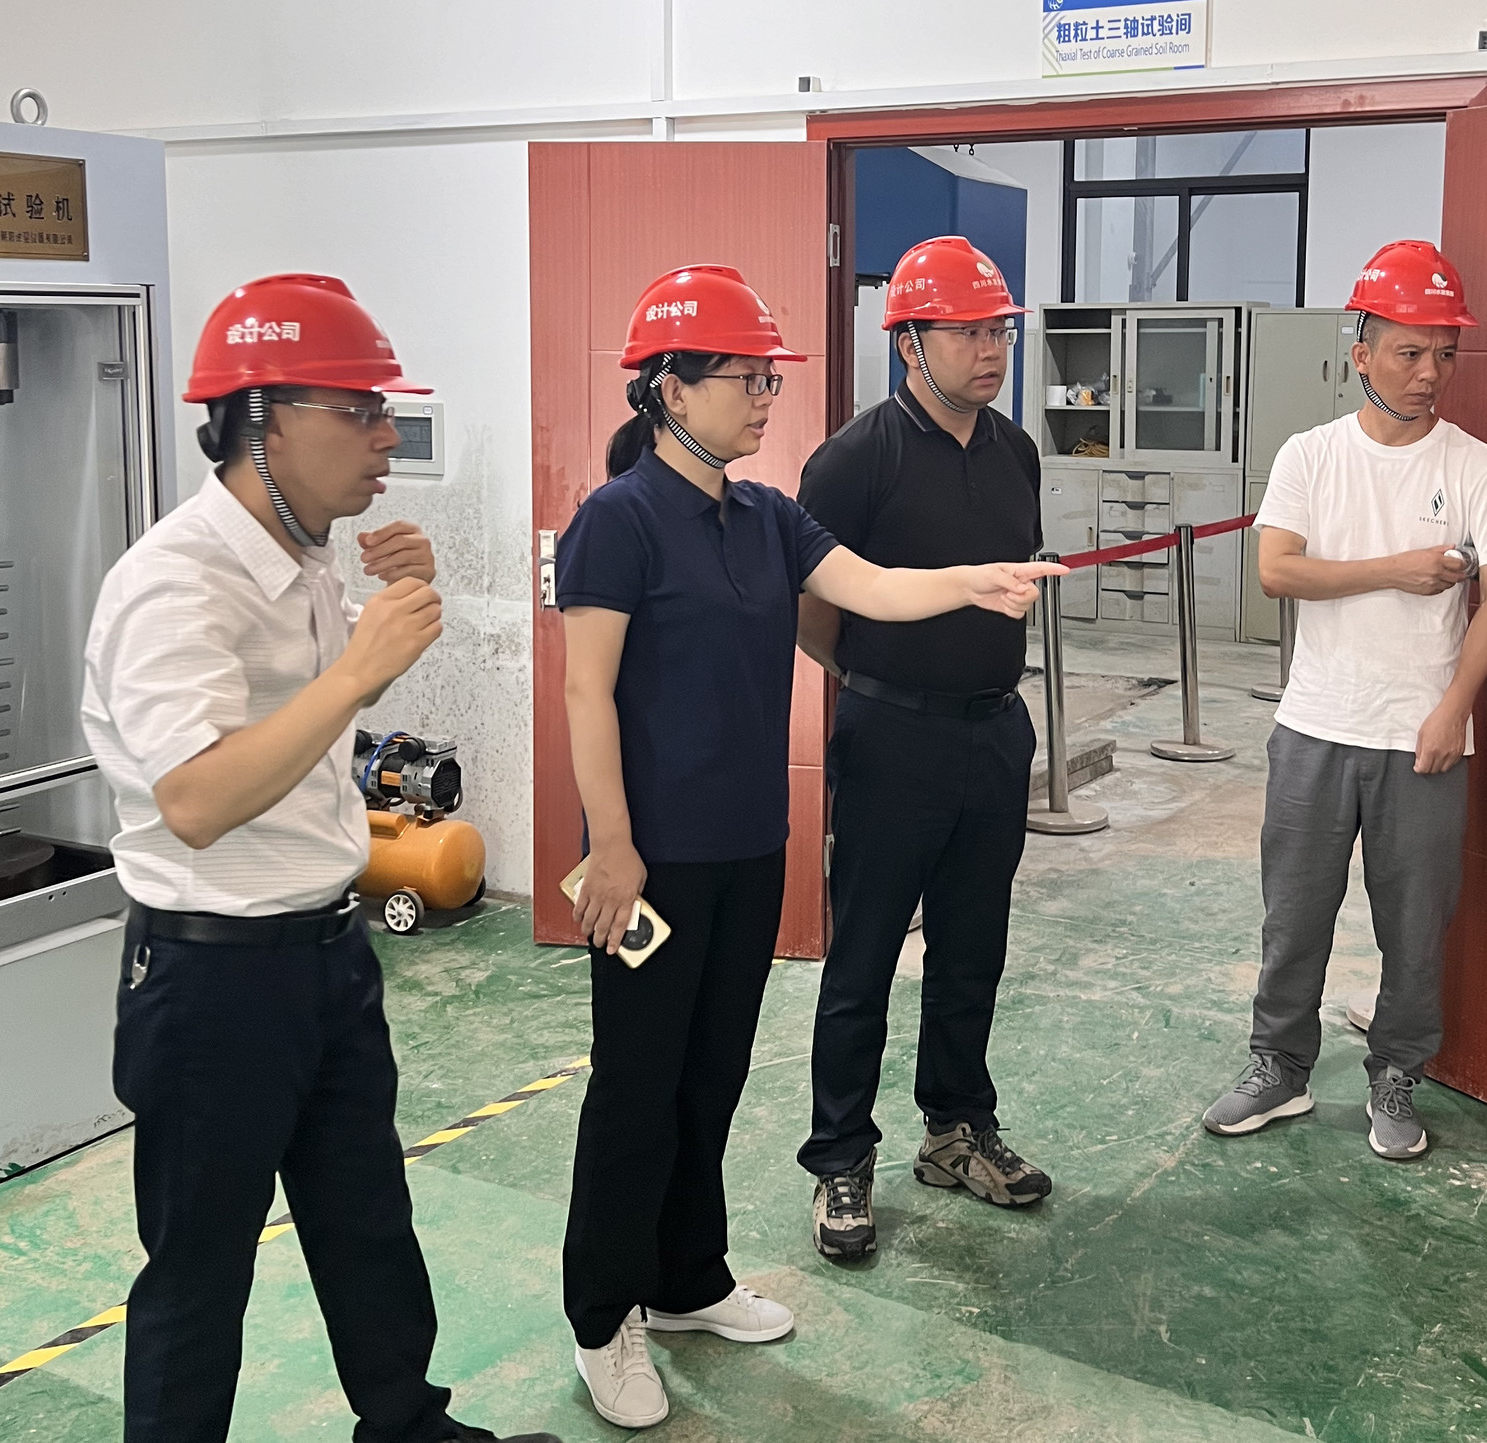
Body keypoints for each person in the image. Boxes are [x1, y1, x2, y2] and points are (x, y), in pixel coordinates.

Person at [555, 263, 1059, 1430]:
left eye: (769, 378)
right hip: (649, 865)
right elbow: (586, 692)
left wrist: (976, 583)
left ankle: (687, 1279)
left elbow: (871, 590)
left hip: (745, 849)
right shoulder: (616, 521)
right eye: (744, 377)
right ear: (669, 387)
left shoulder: (767, 516)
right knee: (636, 1089)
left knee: (714, 1075)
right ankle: (603, 1316)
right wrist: (612, 845)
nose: (765, 397)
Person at [82, 274, 557, 1443]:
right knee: (200, 1269)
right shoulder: (173, 584)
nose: (388, 437)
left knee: (366, 1220)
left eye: (385, 410)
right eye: (360, 411)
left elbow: (303, 725)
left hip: (326, 954)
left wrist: (387, 611)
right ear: (263, 422)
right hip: (211, 979)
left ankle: (408, 1426)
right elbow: (197, 799)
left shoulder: (303, 557)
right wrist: (358, 667)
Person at [1200, 241, 1487, 1160]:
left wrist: (1454, 708)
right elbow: (1277, 570)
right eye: (1409, 353)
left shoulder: (1477, 467)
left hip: (1421, 734)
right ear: (1362, 353)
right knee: (1294, 913)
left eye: (1445, 354)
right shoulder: (1311, 456)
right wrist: (1399, 568)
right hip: (1314, 725)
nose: (1430, 374)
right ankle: (1280, 1066)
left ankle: (1397, 1074)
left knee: (1415, 925)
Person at [793, 236, 1049, 1263]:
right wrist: (871, 681)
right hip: (892, 734)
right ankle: (840, 1158)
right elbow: (812, 607)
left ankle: (956, 1130)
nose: (992, 351)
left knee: (973, 948)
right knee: (862, 957)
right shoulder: (855, 459)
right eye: (969, 332)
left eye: (1000, 332)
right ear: (908, 342)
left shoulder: (1017, 451)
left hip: (995, 731)